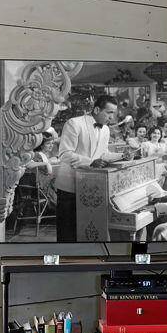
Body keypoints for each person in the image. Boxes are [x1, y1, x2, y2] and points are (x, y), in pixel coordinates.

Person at [54, 96, 123, 238]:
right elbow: (64, 154)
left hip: (92, 187)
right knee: (67, 232)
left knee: (87, 230)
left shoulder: (105, 130)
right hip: (70, 187)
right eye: (109, 112)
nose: (112, 117)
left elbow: (103, 154)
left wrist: (123, 156)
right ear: (97, 109)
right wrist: (90, 162)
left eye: (113, 113)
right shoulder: (74, 123)